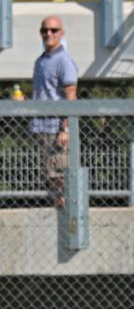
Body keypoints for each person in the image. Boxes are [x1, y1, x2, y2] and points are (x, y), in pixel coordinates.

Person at [31, 17, 78, 208]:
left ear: (61, 33)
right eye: (44, 30)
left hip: (56, 128)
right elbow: (45, 93)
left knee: (59, 176)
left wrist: (65, 129)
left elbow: (71, 96)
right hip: (41, 127)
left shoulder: (63, 60)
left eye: (53, 30)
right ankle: (60, 217)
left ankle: (68, 222)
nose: (48, 34)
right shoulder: (41, 60)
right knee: (49, 176)